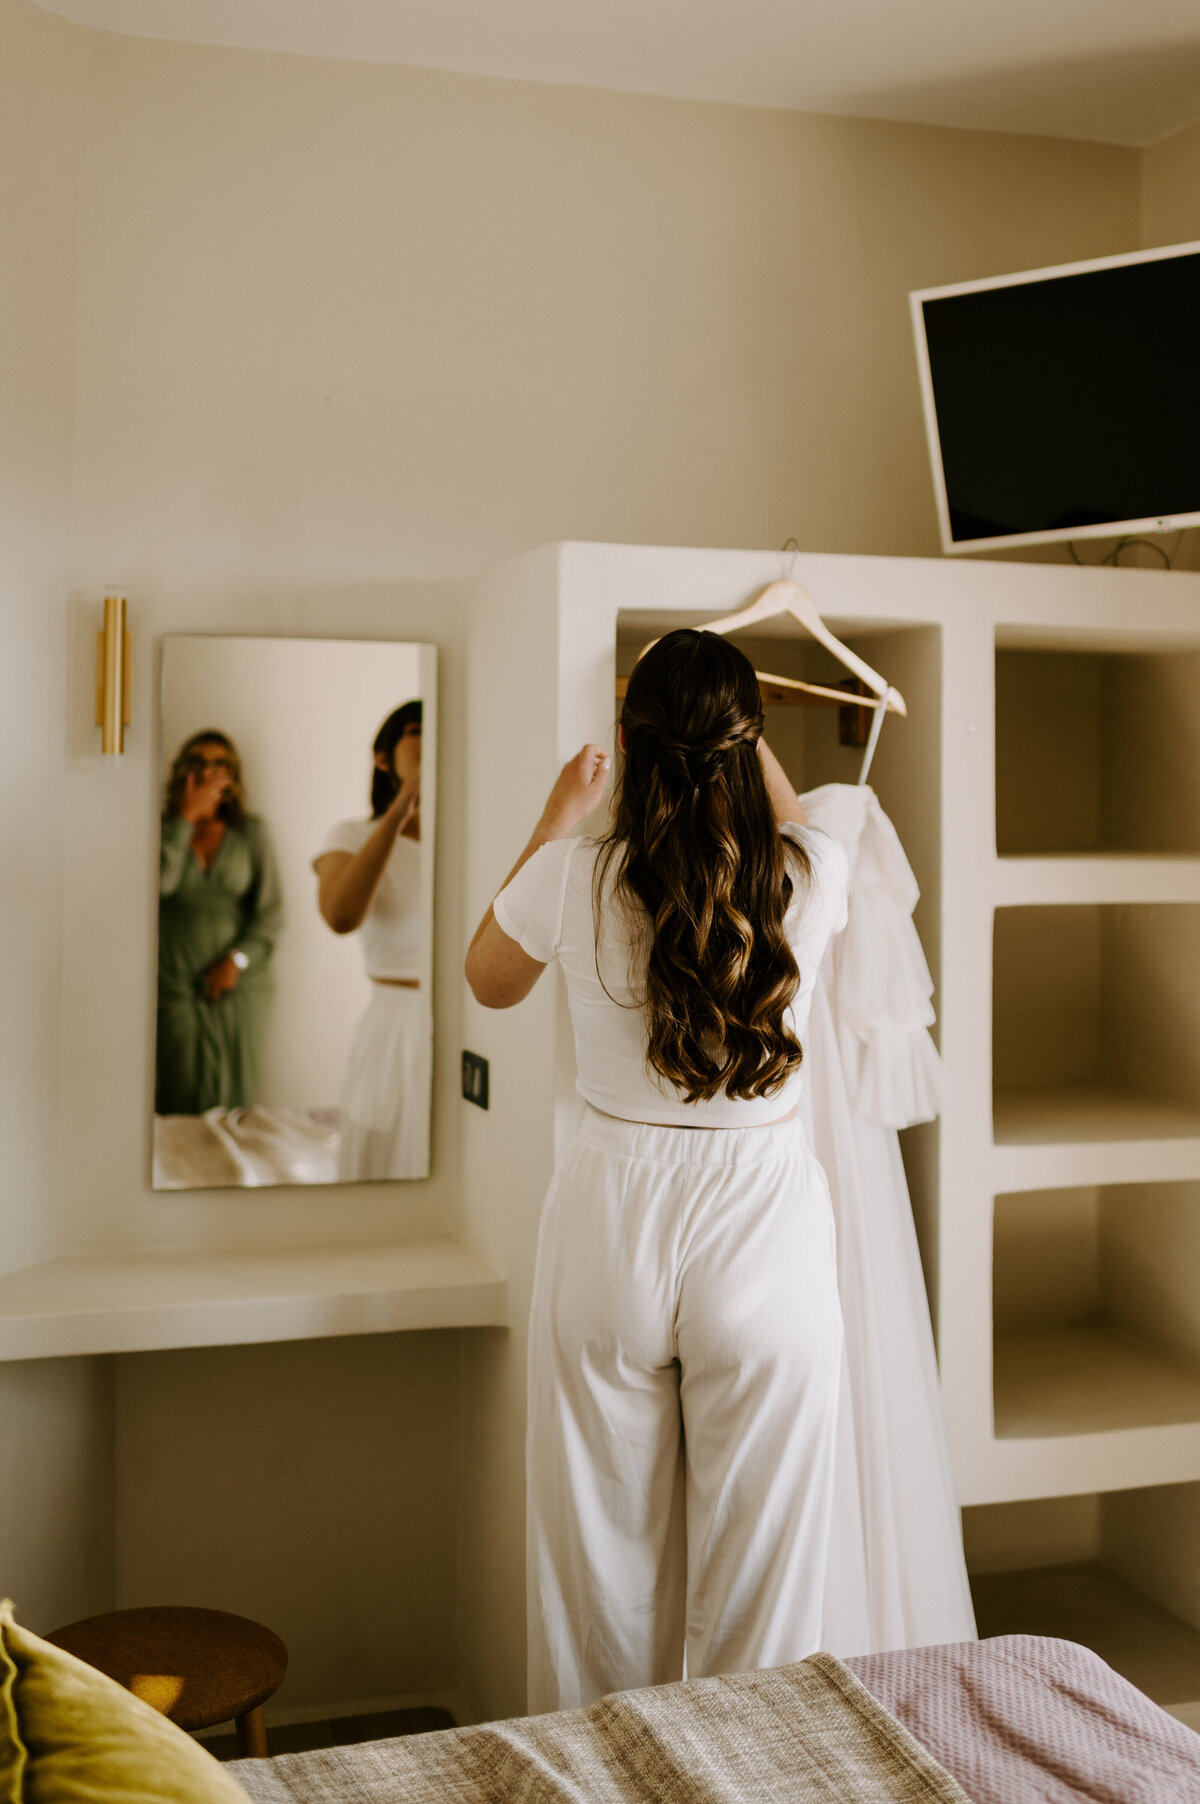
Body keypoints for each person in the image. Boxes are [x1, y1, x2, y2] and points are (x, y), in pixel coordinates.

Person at [465, 628, 851, 1713]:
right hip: (762, 1221)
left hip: (610, 1215)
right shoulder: (811, 873)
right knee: (764, 1600)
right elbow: (794, 813)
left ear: (630, 744)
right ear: (747, 744)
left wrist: (558, 818)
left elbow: (486, 980)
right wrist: (746, 738)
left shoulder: (576, 874)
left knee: (594, 1580)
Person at [313, 701, 429, 1180]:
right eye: (417, 730)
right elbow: (340, 915)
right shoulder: (352, 834)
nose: (432, 740)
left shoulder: (468, 840)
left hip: (465, 1025)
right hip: (393, 1027)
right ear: (382, 758)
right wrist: (400, 811)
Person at [157, 730, 284, 1116]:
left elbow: (272, 913)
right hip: (175, 987)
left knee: (237, 1102)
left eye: (219, 763)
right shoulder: (159, 830)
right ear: (182, 771)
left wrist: (236, 961)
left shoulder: (251, 833)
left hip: (240, 986)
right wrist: (186, 818)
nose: (208, 771)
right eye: (197, 761)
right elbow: (158, 884)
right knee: (179, 1101)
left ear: (233, 776)